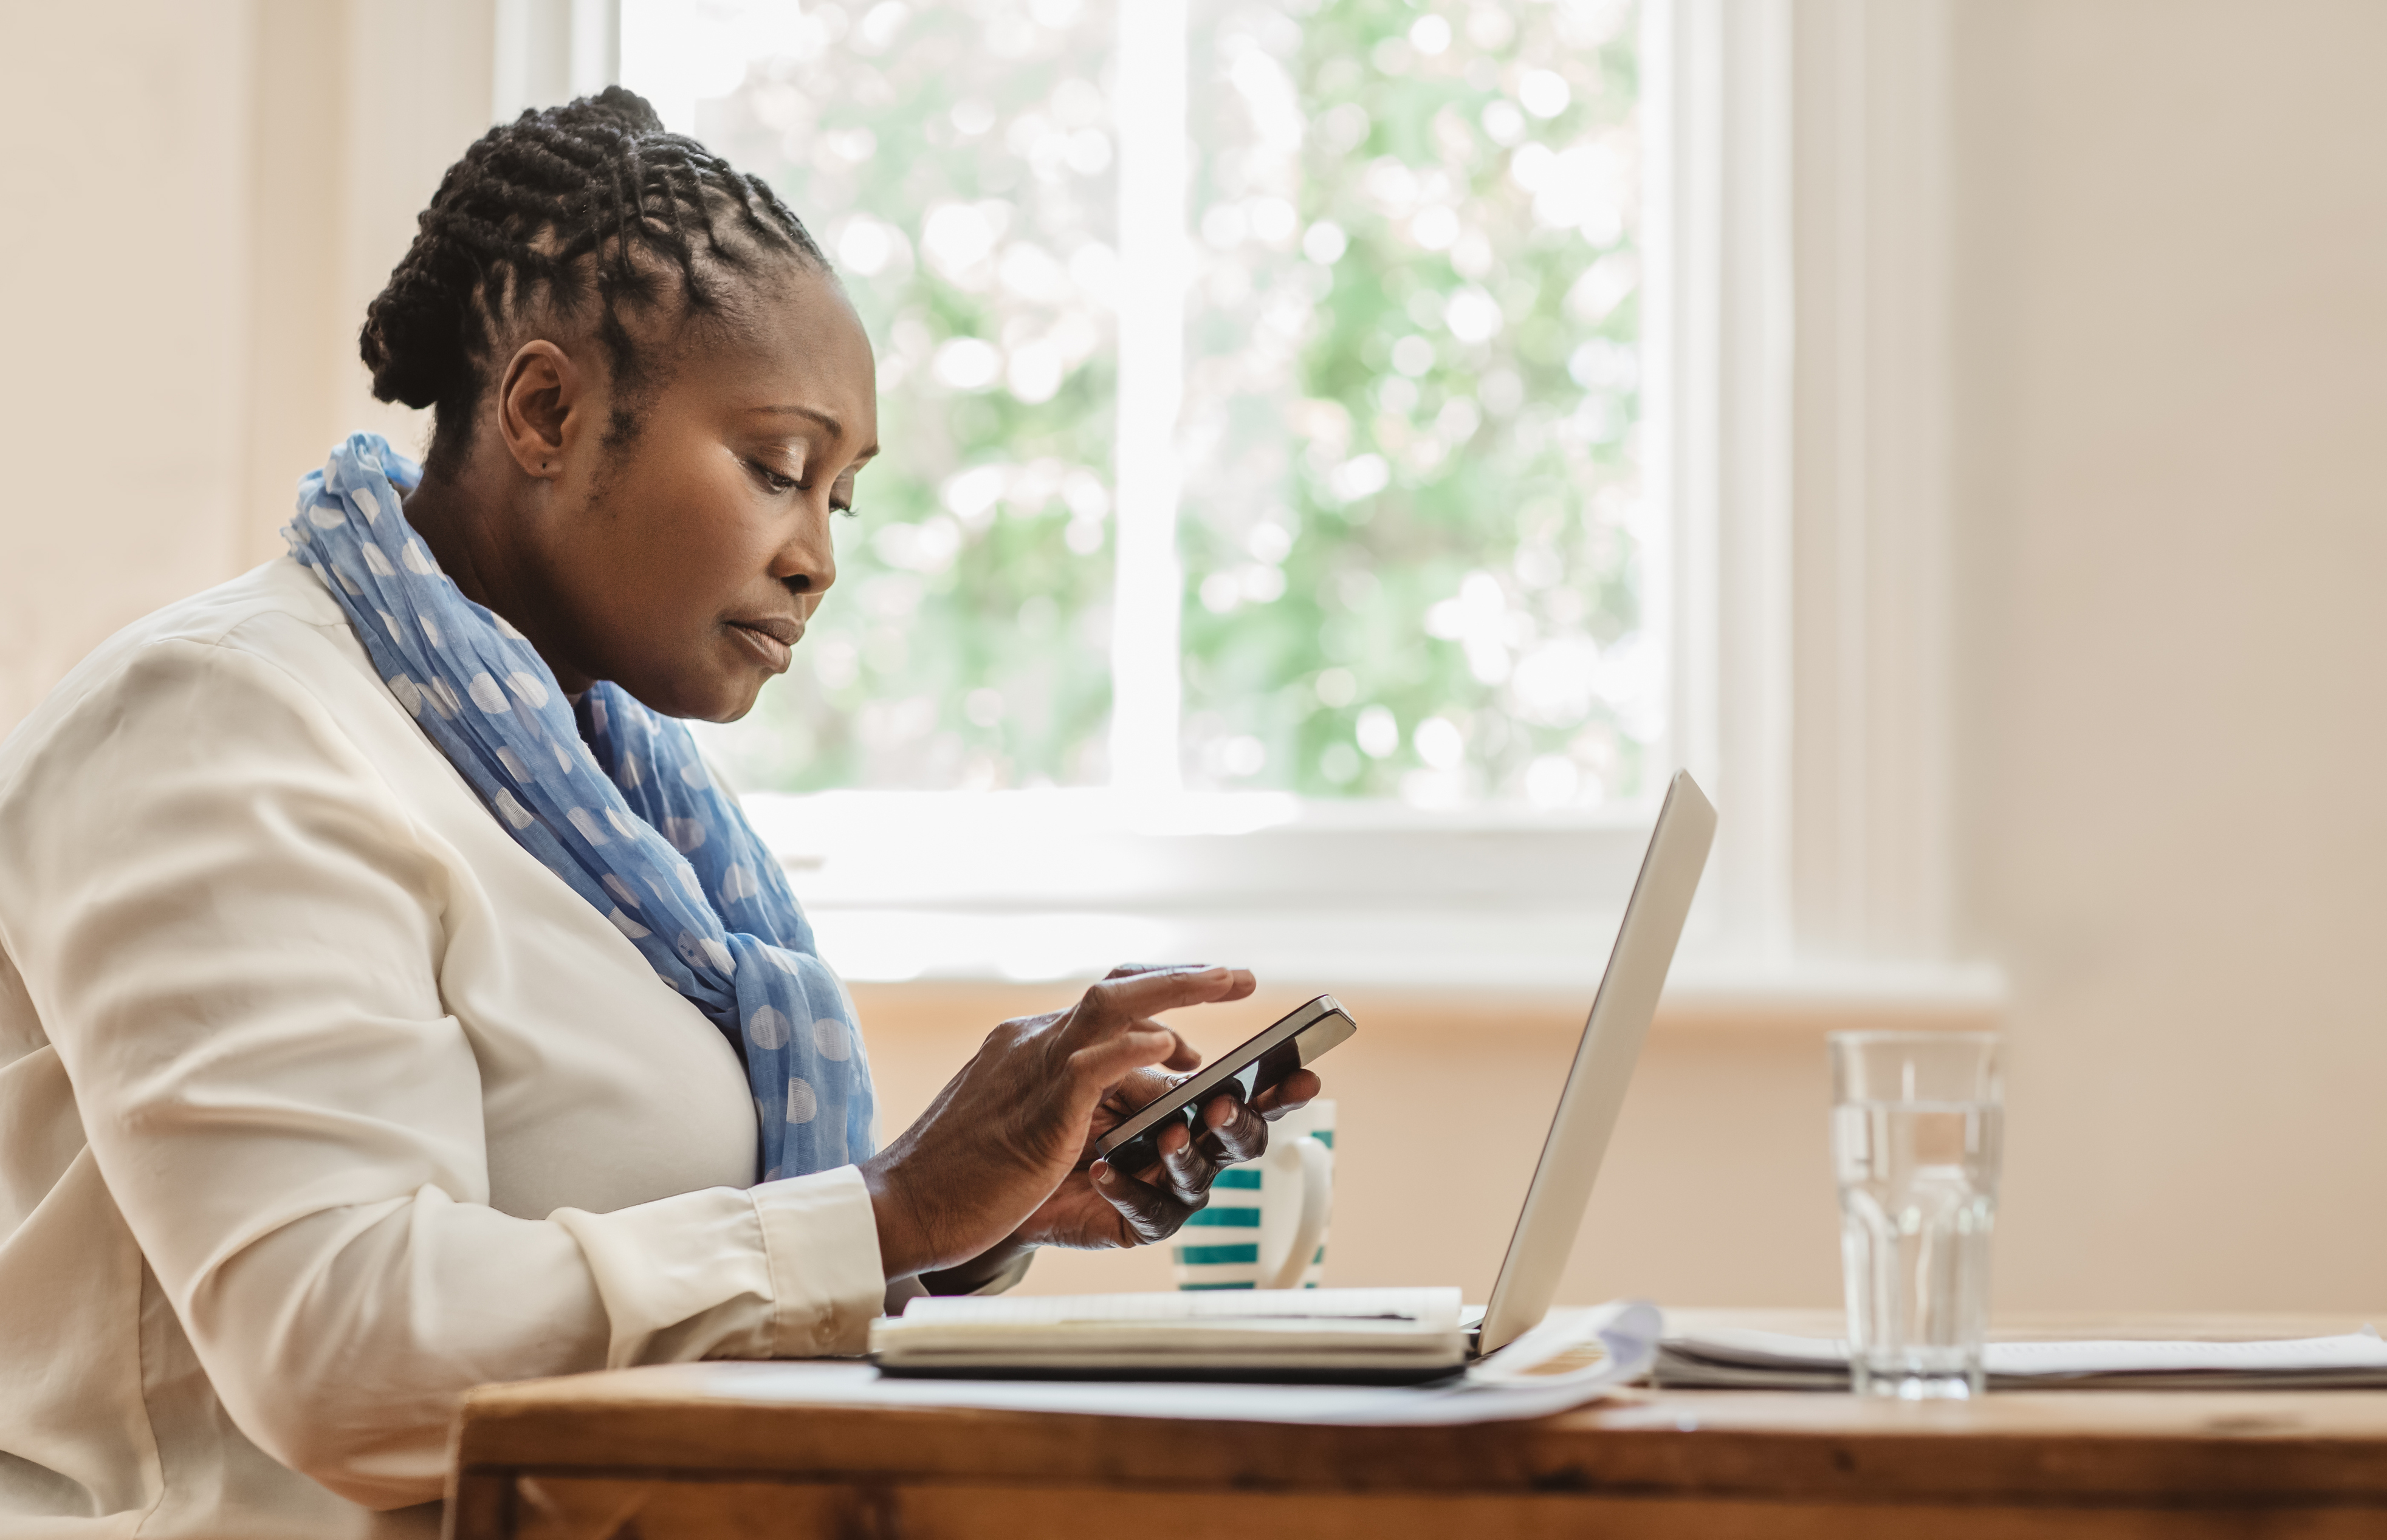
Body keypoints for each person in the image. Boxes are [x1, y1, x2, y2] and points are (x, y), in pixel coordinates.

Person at [0, 89, 1319, 1539]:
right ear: (548, 412)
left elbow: (667, 1275)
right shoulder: (218, 725)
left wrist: (956, 1233)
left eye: (842, 498)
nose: (815, 557)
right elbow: (341, 1351)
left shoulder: (611, 808)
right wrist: (884, 1211)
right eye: (774, 467)